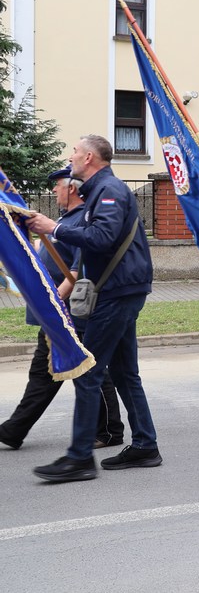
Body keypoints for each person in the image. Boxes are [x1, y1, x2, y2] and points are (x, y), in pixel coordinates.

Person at [25, 135, 160, 482]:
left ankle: (80, 458)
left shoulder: (110, 189)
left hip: (117, 292)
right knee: (126, 372)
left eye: (73, 152)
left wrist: (54, 227)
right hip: (120, 290)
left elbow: (102, 238)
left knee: (88, 372)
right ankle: (146, 445)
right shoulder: (97, 191)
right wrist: (54, 228)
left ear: (88, 157)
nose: (70, 158)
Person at [0, 166, 125, 451]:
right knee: (46, 371)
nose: (53, 189)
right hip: (56, 313)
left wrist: (53, 301)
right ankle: (14, 429)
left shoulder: (82, 219)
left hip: (71, 313)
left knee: (87, 367)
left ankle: (109, 431)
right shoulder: (65, 219)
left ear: (71, 187)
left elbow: (79, 267)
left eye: (57, 184)